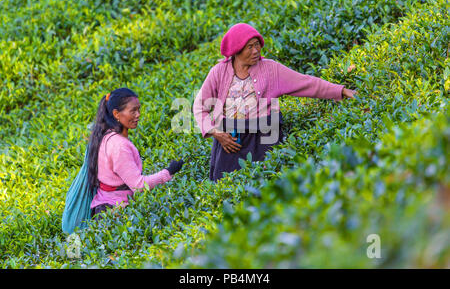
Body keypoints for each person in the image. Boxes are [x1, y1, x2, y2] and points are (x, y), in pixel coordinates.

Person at [193, 23, 356, 182]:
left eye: (257, 45)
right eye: (249, 47)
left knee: (267, 183)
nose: (256, 50)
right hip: (230, 140)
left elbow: (306, 83)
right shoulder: (218, 72)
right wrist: (215, 132)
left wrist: (340, 91)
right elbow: (200, 106)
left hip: (264, 136)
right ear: (237, 50)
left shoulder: (271, 69)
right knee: (228, 187)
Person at [87, 87, 184, 218]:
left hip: (104, 207)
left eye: (138, 109)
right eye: (133, 111)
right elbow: (139, 186)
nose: (138, 114)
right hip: (114, 212)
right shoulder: (119, 145)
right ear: (116, 114)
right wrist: (168, 172)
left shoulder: (106, 136)